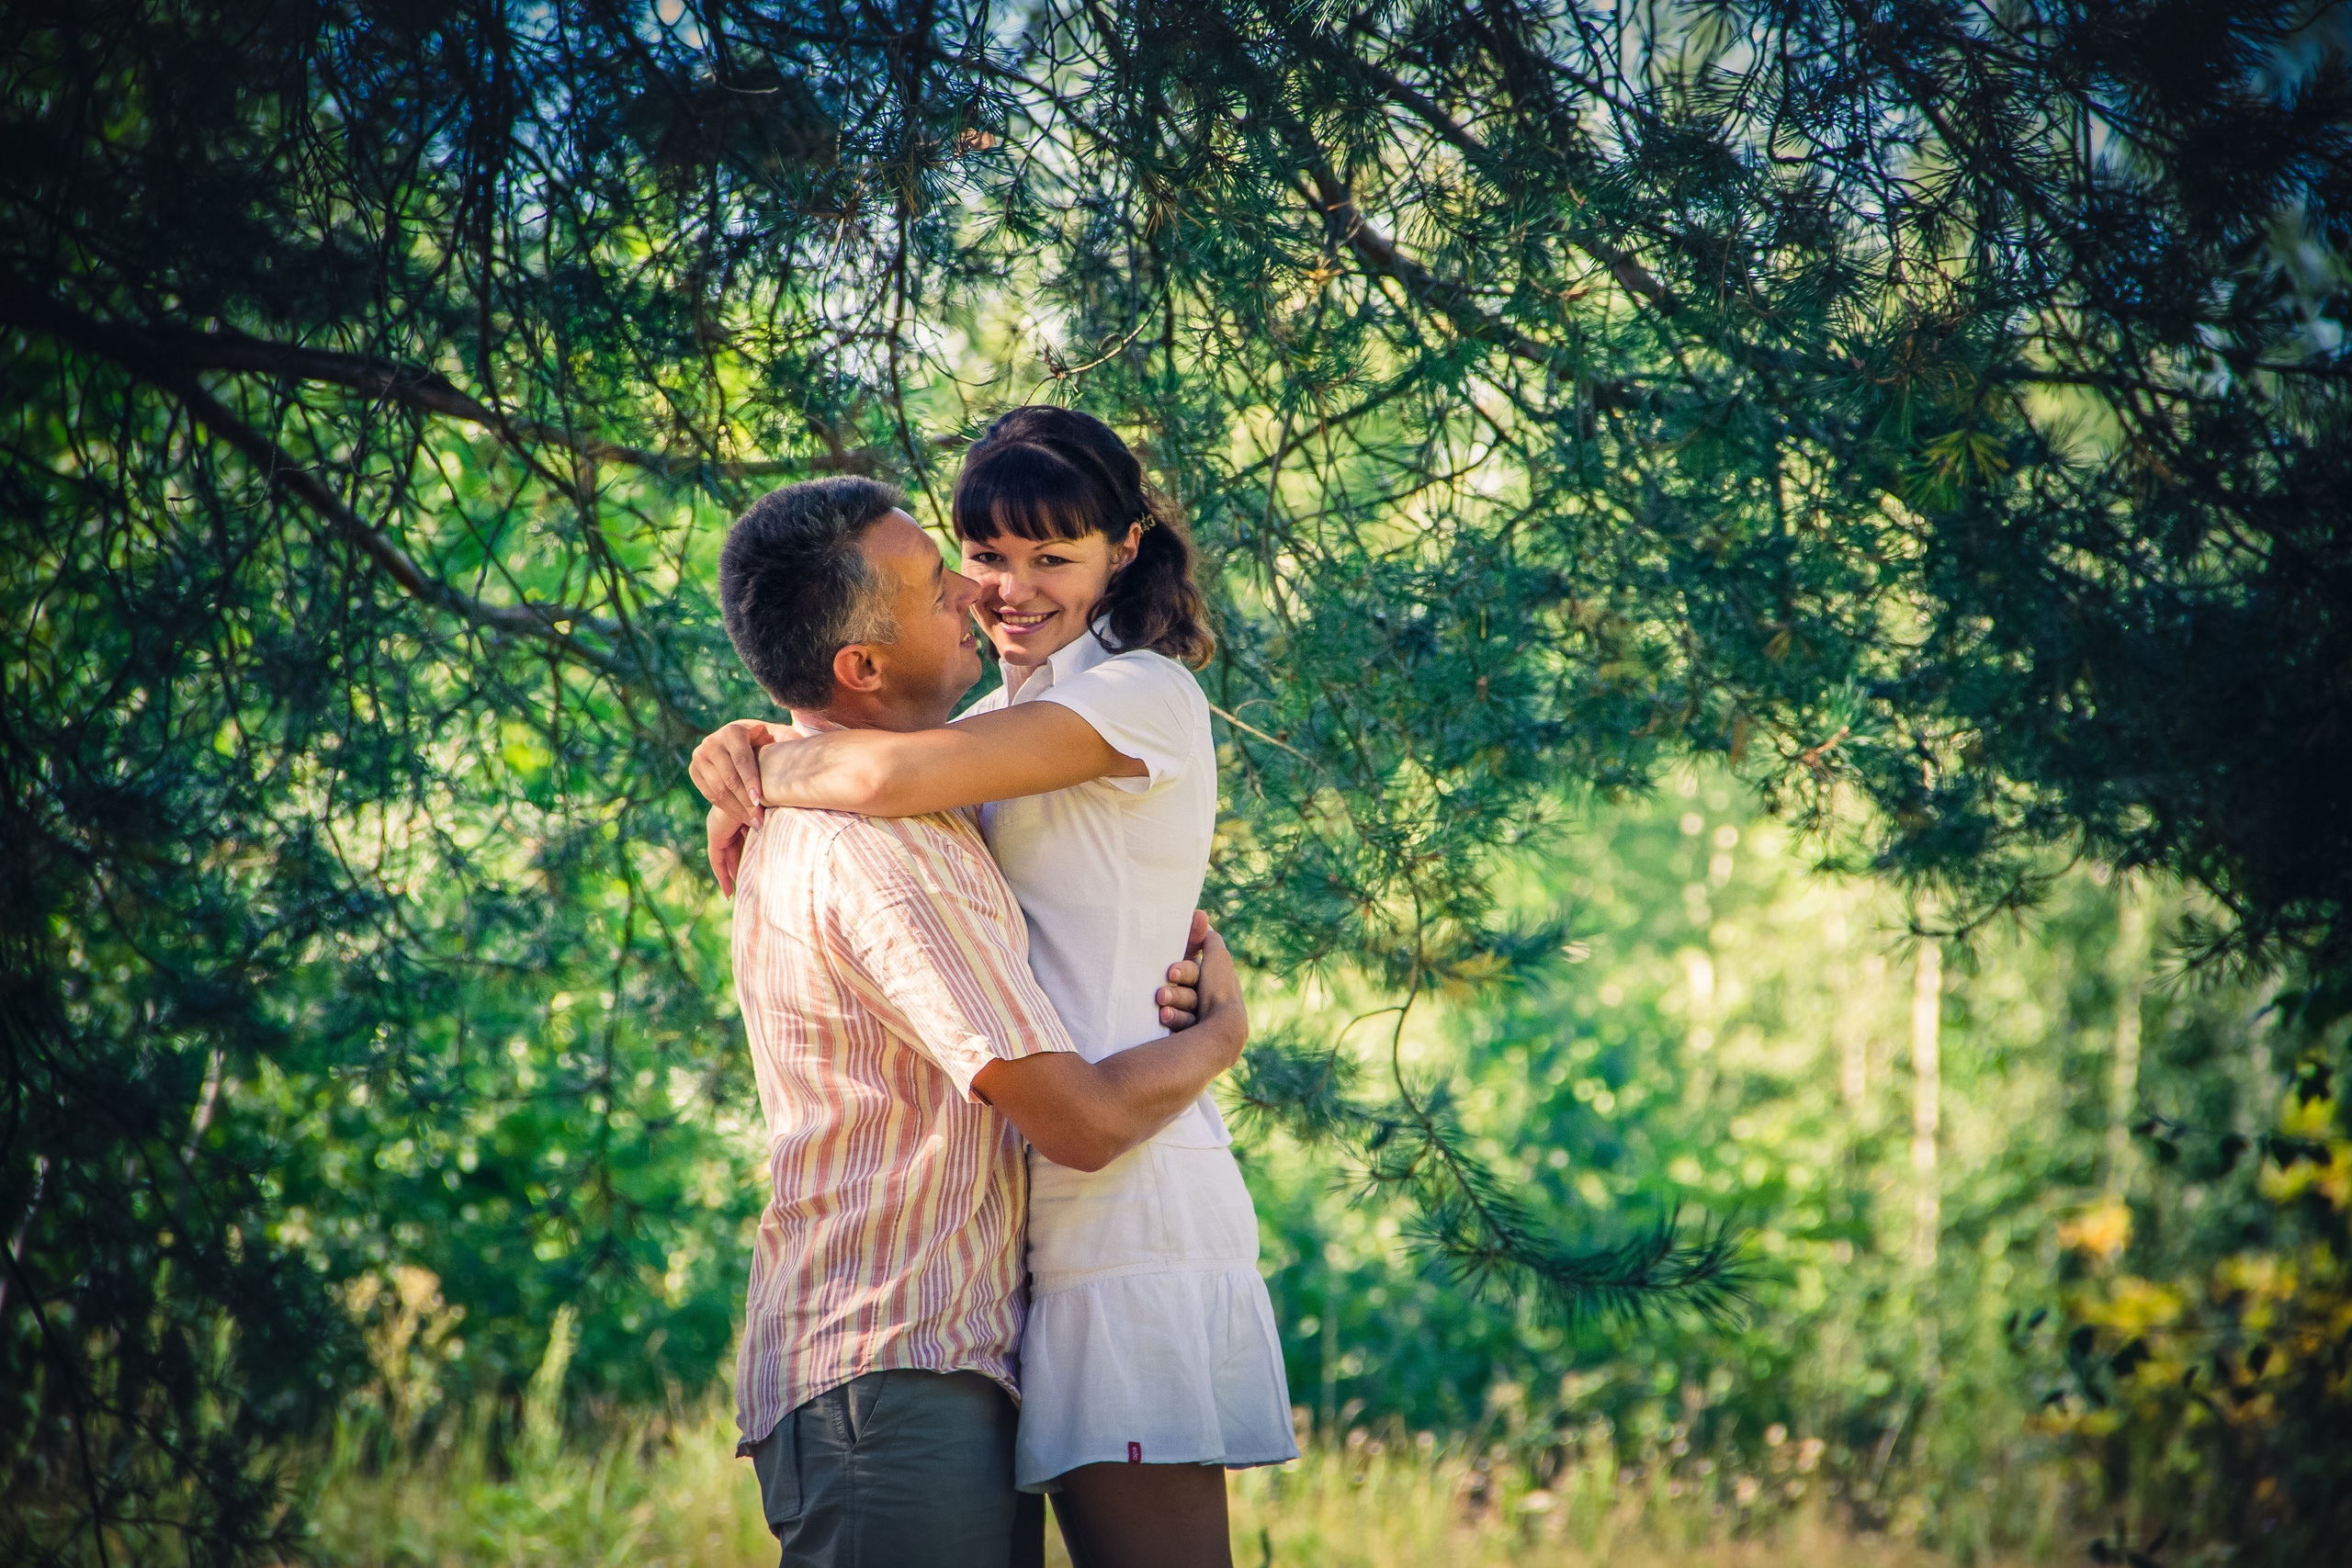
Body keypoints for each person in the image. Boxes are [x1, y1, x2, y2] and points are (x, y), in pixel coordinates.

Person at [695, 407, 1295, 1568]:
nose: (1000, 592)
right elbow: (877, 761)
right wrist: (745, 753)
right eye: (980, 559)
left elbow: (866, 758)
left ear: (1125, 550)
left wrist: (759, 761)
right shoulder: (988, 721)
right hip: (1021, 1228)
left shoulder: (1138, 693)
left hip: (1126, 1192)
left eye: (1052, 558)